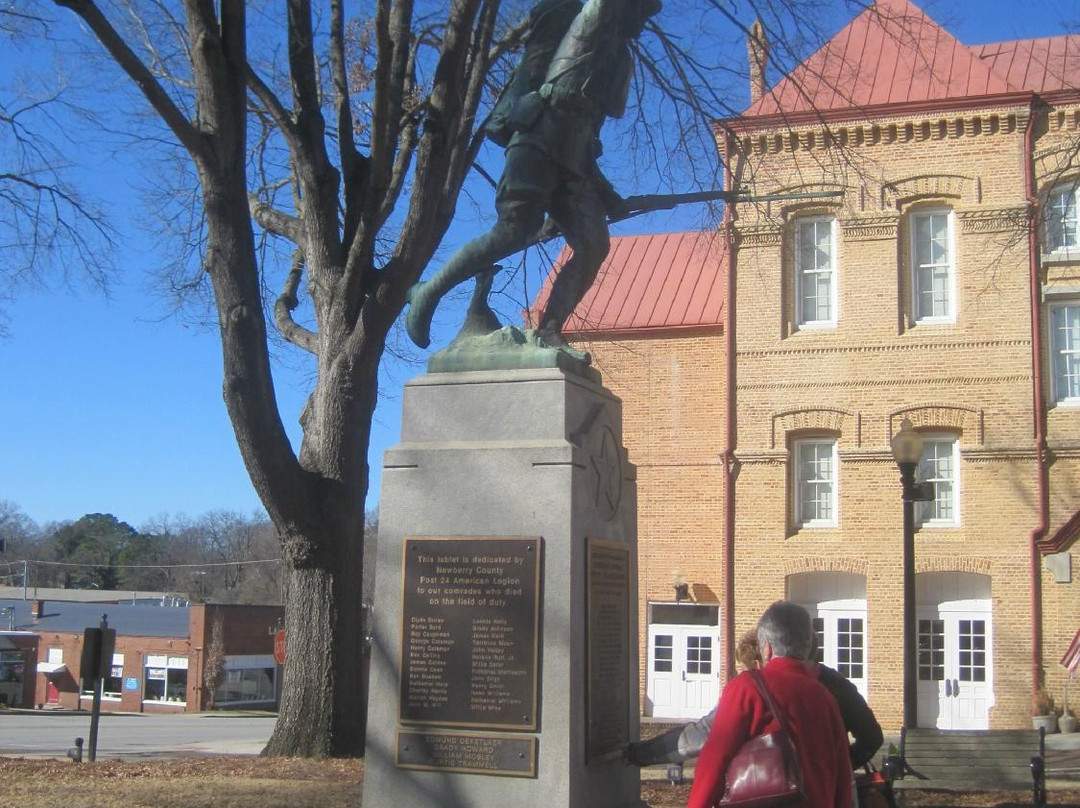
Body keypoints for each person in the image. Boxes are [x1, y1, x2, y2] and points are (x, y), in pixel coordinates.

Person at [404, 0, 662, 356]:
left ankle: (550, 330)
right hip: (538, 136)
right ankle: (428, 290)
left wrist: (606, 193)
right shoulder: (591, 26)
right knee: (514, 231)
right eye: (642, 10)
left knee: (593, 245)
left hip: (575, 159)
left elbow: (590, 132)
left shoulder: (619, 59)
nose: (643, 21)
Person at [625, 629, 883, 770]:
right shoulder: (836, 685)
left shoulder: (753, 689)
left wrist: (640, 754)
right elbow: (872, 736)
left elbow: (703, 737)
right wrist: (838, 767)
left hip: (770, 791)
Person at [685, 601, 852, 808]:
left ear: (767, 647)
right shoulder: (824, 697)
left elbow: (714, 761)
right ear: (808, 646)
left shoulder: (747, 688)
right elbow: (843, 776)